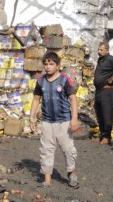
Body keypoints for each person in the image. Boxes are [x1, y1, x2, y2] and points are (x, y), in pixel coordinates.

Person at [29, 51, 80, 188]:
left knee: (68, 149)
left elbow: (73, 100)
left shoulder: (64, 80)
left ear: (58, 66)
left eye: (51, 64)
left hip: (64, 121)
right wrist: (31, 118)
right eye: (45, 64)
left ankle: (72, 173)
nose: (48, 67)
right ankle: (47, 179)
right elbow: (36, 99)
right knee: (46, 149)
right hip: (47, 121)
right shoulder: (40, 81)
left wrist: (74, 119)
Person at [93, 41, 113, 145]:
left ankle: (107, 136)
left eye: (101, 50)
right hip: (99, 90)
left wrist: (112, 79)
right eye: (98, 49)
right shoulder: (100, 60)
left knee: (106, 113)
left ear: (107, 50)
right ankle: (102, 135)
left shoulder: (110, 59)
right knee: (99, 112)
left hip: (107, 90)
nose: (99, 51)